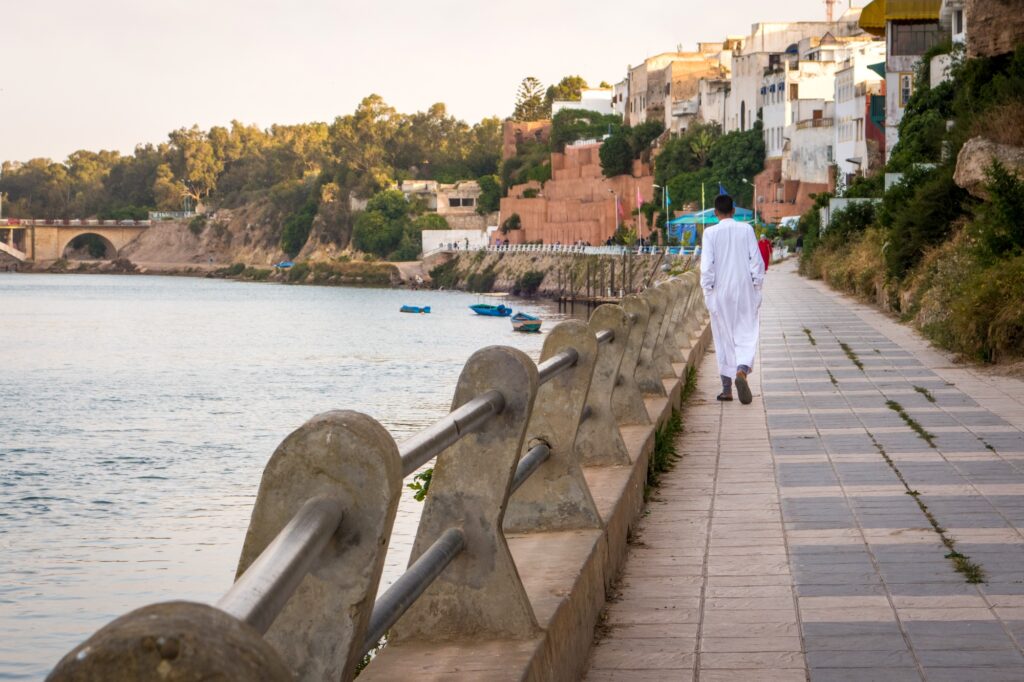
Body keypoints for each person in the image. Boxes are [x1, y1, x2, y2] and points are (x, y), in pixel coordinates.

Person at [700, 194, 765, 405]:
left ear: (715, 213)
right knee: (746, 333)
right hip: (744, 288)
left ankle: (727, 389)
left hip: (720, 291)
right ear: (734, 211)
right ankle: (742, 371)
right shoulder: (746, 229)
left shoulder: (709, 233)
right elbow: (757, 261)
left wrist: (707, 292)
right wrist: (756, 287)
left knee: (723, 337)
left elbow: (707, 266)